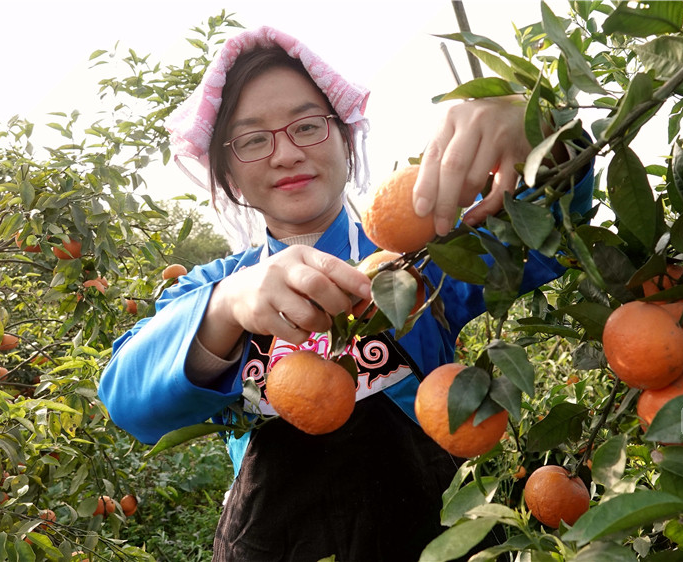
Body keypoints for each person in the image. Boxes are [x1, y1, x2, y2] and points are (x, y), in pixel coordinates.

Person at [98, 26, 593, 561]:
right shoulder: (213, 291)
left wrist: (542, 129)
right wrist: (228, 306)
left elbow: (549, 235)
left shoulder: (424, 255)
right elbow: (130, 401)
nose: (285, 154)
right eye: (253, 139)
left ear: (345, 138)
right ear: (229, 174)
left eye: (307, 126)